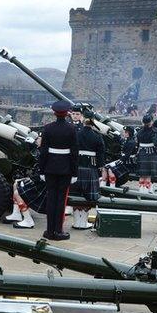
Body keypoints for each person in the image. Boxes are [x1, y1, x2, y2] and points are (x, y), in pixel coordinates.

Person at [37, 100, 78, 241]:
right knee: (61, 201)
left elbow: (43, 152)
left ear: (54, 113)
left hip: (50, 168)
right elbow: (74, 153)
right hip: (66, 168)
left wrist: (41, 170)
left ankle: (49, 231)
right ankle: (58, 231)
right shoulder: (72, 129)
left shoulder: (47, 128)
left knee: (51, 199)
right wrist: (74, 172)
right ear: (67, 113)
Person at [70, 115, 106, 229]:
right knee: (88, 197)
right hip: (91, 168)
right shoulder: (97, 136)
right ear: (93, 123)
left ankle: (76, 223)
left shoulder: (76, 134)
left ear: (83, 122)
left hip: (77, 167)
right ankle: (83, 223)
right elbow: (101, 153)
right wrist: (101, 167)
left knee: (76, 195)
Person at [135, 114, 157, 193]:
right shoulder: (155, 131)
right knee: (148, 175)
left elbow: (137, 143)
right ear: (151, 121)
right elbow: (156, 143)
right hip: (151, 154)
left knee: (142, 175)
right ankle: (147, 192)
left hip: (142, 152)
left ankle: (141, 191)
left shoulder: (139, 132)